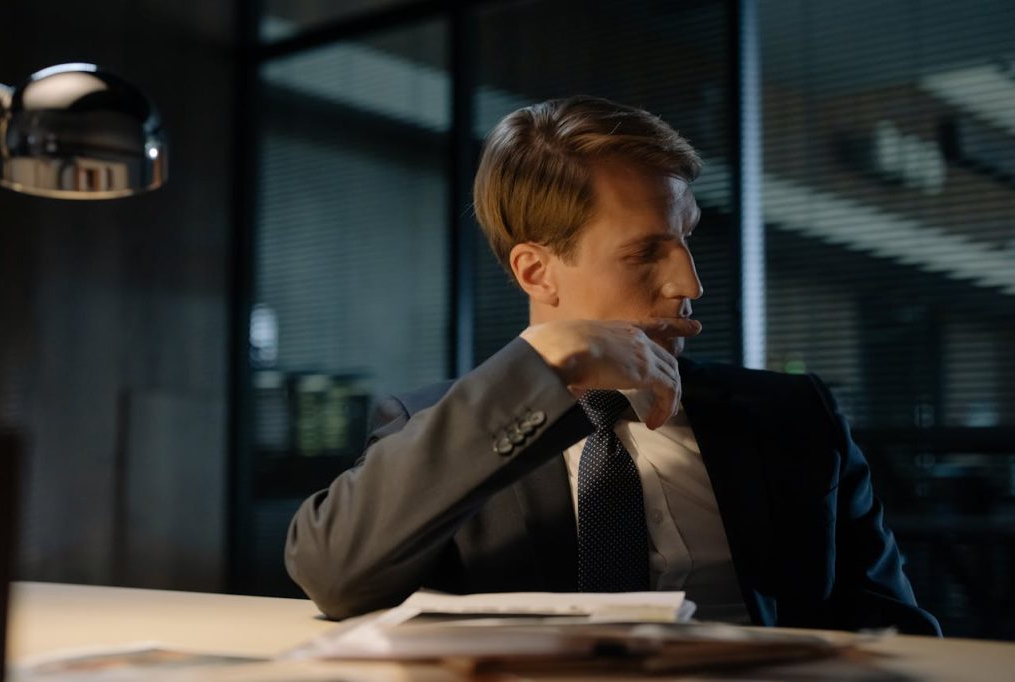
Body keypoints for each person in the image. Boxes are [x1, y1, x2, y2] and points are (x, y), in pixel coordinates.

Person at [285, 95, 940, 635]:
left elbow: (899, 632)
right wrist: (548, 362)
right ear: (536, 271)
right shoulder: (436, 425)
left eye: (686, 236)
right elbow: (333, 570)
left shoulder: (795, 417)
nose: (689, 280)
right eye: (645, 253)